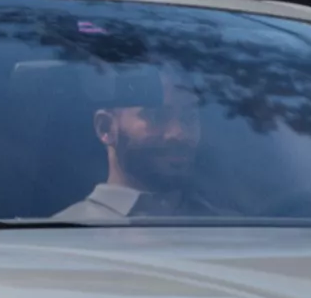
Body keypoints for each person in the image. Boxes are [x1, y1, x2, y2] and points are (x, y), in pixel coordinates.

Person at [56, 65, 211, 221]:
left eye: (189, 118)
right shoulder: (59, 237)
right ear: (106, 128)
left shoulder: (229, 225)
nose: (179, 134)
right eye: (156, 117)